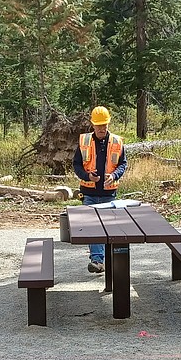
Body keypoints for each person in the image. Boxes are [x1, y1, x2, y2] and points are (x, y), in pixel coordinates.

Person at [72, 106, 128, 273]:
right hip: (89, 193)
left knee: (110, 228)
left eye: (105, 125)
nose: (102, 128)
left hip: (109, 193)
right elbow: (76, 164)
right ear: (93, 125)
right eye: (99, 125)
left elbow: (122, 163)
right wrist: (87, 176)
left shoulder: (117, 142)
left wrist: (114, 175)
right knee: (93, 227)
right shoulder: (84, 141)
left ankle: (111, 263)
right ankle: (97, 260)